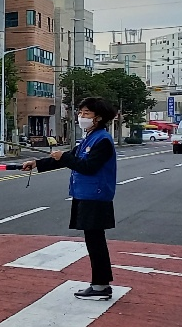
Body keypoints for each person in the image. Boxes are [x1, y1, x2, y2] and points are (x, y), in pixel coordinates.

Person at [22, 97, 118, 300]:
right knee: (94, 240)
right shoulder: (89, 138)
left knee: (95, 241)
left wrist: (64, 158)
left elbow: (87, 167)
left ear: (98, 118)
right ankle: (100, 284)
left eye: (86, 113)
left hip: (95, 196)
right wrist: (37, 163)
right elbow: (68, 160)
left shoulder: (102, 141)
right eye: (80, 113)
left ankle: (101, 286)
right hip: (86, 195)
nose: (81, 117)